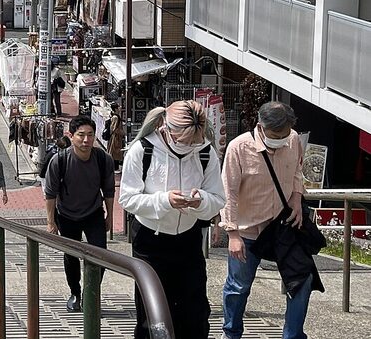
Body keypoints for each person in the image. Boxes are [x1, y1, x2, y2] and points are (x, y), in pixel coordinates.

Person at [119, 101, 225, 339]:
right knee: (152, 313)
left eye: (193, 141)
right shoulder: (142, 150)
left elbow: (218, 198)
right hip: (149, 240)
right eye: (183, 141)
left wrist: (201, 201)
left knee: (195, 312)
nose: (188, 146)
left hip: (189, 239)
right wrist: (164, 200)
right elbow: (127, 199)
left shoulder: (205, 152)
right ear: (165, 127)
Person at [221, 101, 318, 339]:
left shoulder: (293, 139)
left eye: (284, 134)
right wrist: (232, 233)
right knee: (239, 287)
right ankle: (231, 333)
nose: (281, 139)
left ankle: (293, 336)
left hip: (284, 226)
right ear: (260, 126)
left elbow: (297, 170)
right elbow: (228, 193)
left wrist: (297, 196)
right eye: (275, 136)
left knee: (302, 281)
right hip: (249, 230)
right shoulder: (238, 147)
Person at [43, 116, 115, 313]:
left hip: (94, 213)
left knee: (100, 255)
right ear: (71, 136)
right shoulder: (59, 160)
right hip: (67, 215)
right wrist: (51, 222)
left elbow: (109, 191)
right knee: (71, 256)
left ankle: (90, 293)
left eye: (90, 135)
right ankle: (75, 292)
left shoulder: (103, 159)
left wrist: (110, 216)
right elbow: (50, 194)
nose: (86, 140)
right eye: (81, 135)